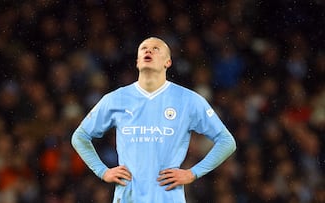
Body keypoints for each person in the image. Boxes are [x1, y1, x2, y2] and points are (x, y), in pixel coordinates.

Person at [71, 37, 236, 203]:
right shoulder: (116, 99)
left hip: (168, 198)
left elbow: (226, 141)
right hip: (129, 198)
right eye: (143, 48)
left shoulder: (188, 100)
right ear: (137, 61)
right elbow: (80, 136)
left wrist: (193, 173)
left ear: (168, 62)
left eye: (156, 49)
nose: (148, 51)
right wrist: (102, 171)